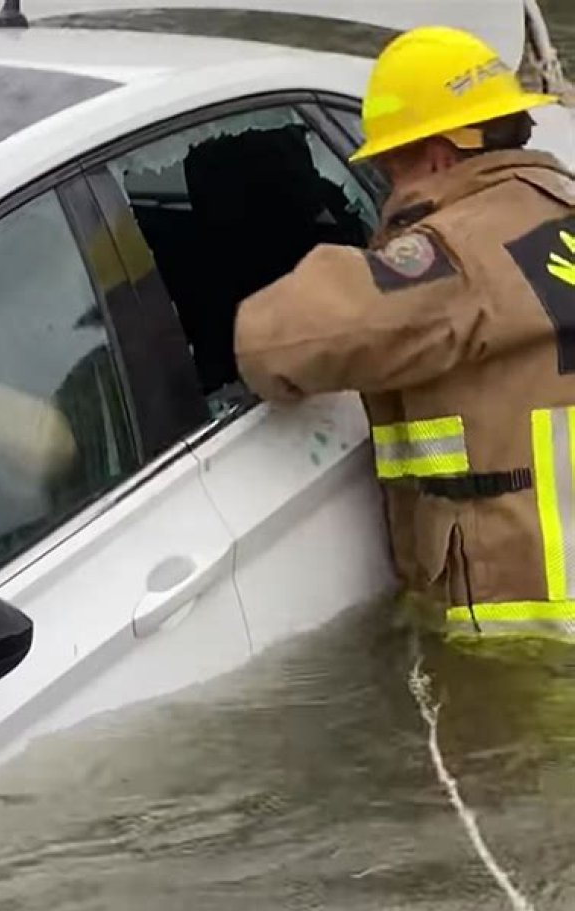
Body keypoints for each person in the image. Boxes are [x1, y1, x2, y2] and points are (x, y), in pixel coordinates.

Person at [234, 26, 575, 641]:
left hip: (527, 636)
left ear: (440, 153)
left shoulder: (459, 257)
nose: (392, 186)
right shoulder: (560, 213)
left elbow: (274, 344)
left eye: (393, 163)